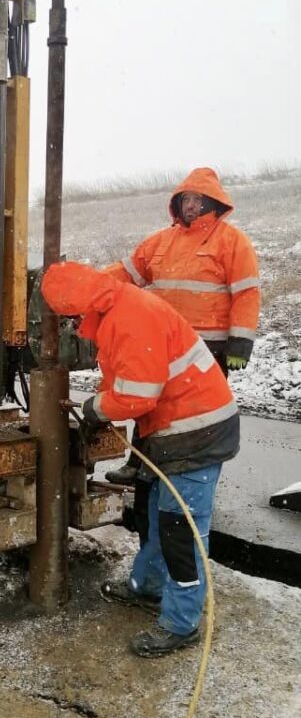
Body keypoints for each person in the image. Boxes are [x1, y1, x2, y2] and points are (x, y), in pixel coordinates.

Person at [41, 261, 240, 657]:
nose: (71, 326)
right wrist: (104, 400)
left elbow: (137, 396)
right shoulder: (116, 308)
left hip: (196, 432)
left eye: (69, 318)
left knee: (179, 531)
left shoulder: (129, 319)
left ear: (80, 307)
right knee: (154, 514)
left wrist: (96, 409)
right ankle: (148, 587)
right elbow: (122, 375)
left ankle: (181, 623)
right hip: (172, 427)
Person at [102, 168, 259, 485]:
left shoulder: (232, 241)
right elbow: (127, 274)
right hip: (163, 343)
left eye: (197, 199)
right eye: (186, 199)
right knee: (150, 403)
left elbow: (246, 294)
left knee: (194, 414)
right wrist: (90, 283)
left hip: (206, 347)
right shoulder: (161, 241)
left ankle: (187, 473)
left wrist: (240, 343)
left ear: (212, 202)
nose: (190, 205)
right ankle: (140, 464)